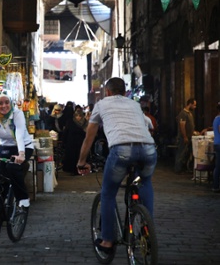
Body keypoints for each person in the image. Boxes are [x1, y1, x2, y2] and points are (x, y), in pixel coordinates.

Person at [76, 77, 157, 253]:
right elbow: (149, 124)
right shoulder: (134, 104)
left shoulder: (101, 104)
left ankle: (107, 241)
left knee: (108, 193)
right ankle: (147, 232)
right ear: (124, 91)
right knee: (145, 183)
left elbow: (89, 137)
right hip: (148, 149)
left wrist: (82, 161)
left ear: (108, 92)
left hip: (121, 150)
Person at [174, 98, 199, 174]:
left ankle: (184, 167)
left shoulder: (189, 113)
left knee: (186, 153)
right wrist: (184, 136)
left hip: (189, 136)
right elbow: (182, 126)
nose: (195, 107)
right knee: (181, 153)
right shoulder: (183, 114)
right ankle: (178, 169)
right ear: (190, 104)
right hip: (183, 138)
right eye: (194, 105)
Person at [62, 110, 88, 175]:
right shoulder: (70, 122)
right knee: (72, 157)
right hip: (71, 143)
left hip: (81, 143)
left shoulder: (85, 123)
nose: (78, 117)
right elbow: (66, 132)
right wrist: (64, 141)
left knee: (80, 156)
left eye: (80, 116)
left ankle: (81, 170)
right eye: (77, 116)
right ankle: (72, 170)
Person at [212, 102, 220, 192]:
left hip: (217, 143)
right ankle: (216, 185)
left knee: (218, 166)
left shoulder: (215, 118)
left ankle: (215, 185)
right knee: (218, 166)